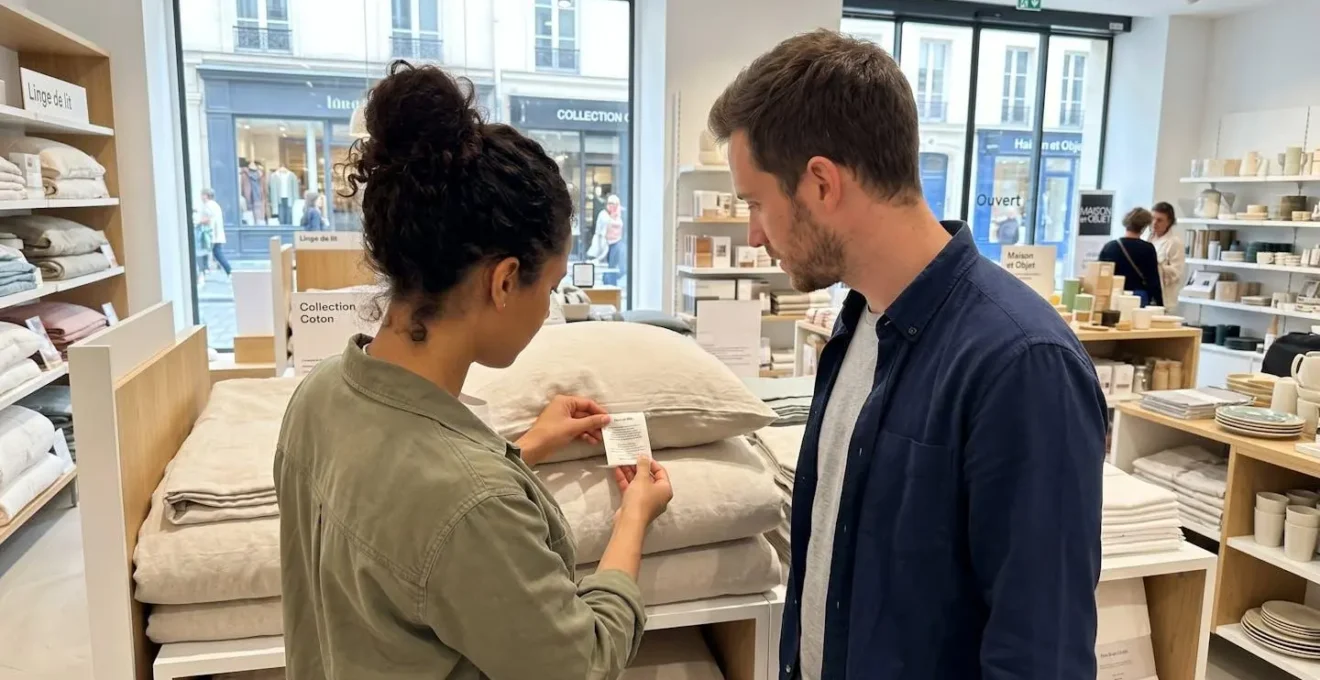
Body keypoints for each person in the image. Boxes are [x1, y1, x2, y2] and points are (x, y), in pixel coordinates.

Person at [708, 30, 1105, 679]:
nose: (753, 235)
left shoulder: (1022, 365)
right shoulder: (859, 319)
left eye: (757, 204)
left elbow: (1042, 653)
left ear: (821, 184)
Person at [274, 62, 673, 680]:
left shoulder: (319, 395)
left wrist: (524, 447)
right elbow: (583, 661)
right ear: (506, 280)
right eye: (553, 286)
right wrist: (634, 516)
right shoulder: (471, 503)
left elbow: (405, 509)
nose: (548, 309)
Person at [1100, 207, 1164, 307]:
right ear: (1144, 227)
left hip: (1113, 297)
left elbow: (1100, 276)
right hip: (1137, 299)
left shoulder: (1110, 247)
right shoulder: (1147, 249)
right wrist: (1160, 305)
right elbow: (1153, 281)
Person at [1148, 201, 1185, 312]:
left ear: (1169, 222)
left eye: (1159, 220)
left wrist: (1157, 266)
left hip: (1165, 300)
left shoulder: (1174, 242)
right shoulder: (1146, 237)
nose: (1154, 223)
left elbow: (1177, 273)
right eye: (1152, 218)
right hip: (1147, 294)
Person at [589, 194, 624, 286]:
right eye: (610, 203)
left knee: (613, 266)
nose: (612, 205)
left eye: (614, 203)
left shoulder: (619, 214)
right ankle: (607, 284)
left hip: (616, 242)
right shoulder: (603, 215)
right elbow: (601, 230)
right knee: (607, 266)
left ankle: (611, 284)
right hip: (605, 243)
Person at [197, 188, 231, 277]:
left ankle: (228, 270)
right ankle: (206, 269)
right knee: (214, 252)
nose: (201, 197)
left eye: (202, 195)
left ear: (206, 196)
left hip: (211, 233)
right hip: (216, 233)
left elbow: (208, 218)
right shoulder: (215, 205)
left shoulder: (208, 205)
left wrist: (198, 222)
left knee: (212, 252)